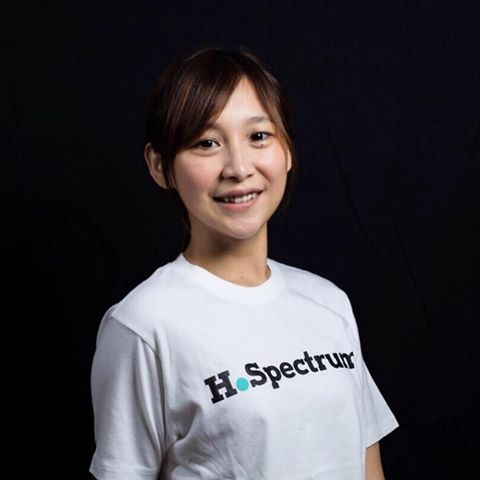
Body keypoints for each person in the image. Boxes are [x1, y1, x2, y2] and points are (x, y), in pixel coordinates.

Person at [89, 45, 399, 480]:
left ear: (287, 151)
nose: (238, 167)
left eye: (258, 136)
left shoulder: (329, 302)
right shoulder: (143, 325)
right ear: (160, 166)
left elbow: (367, 466)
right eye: (207, 143)